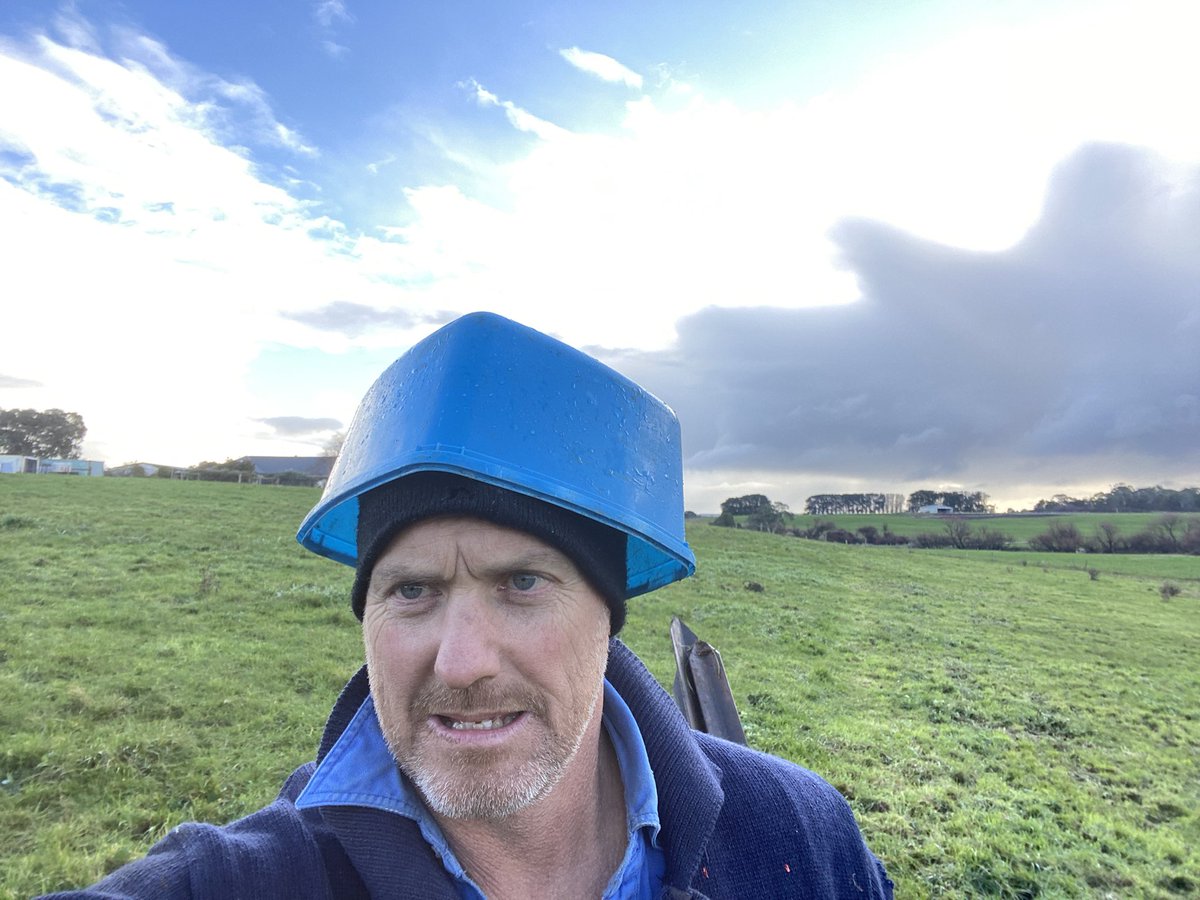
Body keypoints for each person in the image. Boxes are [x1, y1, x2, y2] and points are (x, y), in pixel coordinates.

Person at [46, 312, 892, 899]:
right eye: (412, 590)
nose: (460, 661)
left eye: (521, 583)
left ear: (607, 612)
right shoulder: (256, 878)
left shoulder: (799, 839)